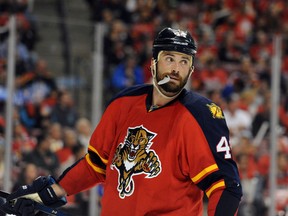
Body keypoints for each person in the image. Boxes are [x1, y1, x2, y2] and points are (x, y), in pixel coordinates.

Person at [0, 27, 242, 216]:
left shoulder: (202, 116)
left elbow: (226, 187)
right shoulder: (124, 103)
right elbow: (96, 164)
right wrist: (51, 192)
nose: (176, 68)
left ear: (191, 70)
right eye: (169, 58)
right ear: (154, 62)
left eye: (184, 61)